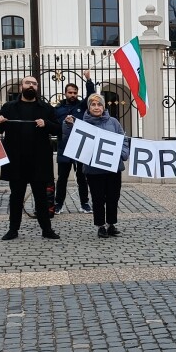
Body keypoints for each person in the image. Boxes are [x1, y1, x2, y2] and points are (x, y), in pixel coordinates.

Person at [0, 75, 60, 241]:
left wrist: (47, 124)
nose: (31, 85)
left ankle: (46, 229)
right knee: (16, 196)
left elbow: (58, 130)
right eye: (27, 83)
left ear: (37, 87)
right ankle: (13, 229)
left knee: (41, 197)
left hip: (39, 161)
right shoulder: (9, 107)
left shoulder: (46, 108)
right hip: (16, 161)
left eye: (34, 84)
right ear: (21, 86)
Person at [82, 93, 130, 239]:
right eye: (93, 104)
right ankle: (100, 226)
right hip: (93, 169)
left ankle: (111, 224)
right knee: (98, 198)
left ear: (104, 107)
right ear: (89, 107)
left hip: (113, 168)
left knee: (113, 197)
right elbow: (73, 138)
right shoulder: (83, 123)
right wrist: (68, 125)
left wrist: (123, 153)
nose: (96, 107)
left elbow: (123, 140)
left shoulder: (114, 122)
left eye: (99, 104)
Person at [54, 70, 96, 215]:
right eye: (70, 92)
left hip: (80, 147)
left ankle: (84, 204)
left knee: (82, 177)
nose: (72, 95)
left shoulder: (82, 106)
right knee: (62, 178)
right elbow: (53, 125)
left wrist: (88, 79)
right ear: (65, 93)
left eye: (75, 93)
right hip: (64, 147)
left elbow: (91, 96)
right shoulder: (58, 109)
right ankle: (58, 204)